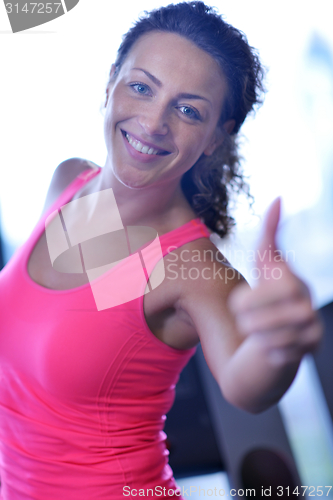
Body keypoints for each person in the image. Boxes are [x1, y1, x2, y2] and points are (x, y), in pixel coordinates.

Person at [0, 2, 322, 499]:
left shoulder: (189, 267)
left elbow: (245, 383)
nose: (153, 122)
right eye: (142, 87)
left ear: (218, 137)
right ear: (110, 82)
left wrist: (277, 346)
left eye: (189, 109)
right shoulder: (68, 183)